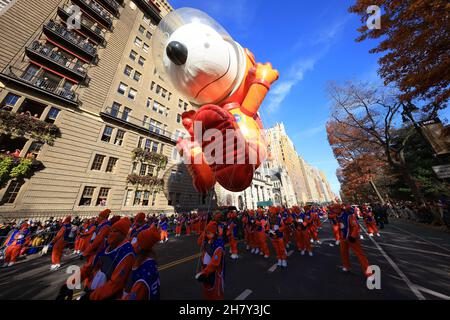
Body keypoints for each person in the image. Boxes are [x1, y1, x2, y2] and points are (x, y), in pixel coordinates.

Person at [76, 217, 134, 300]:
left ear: (122, 234)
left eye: (115, 231)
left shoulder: (127, 253)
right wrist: (70, 283)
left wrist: (92, 296)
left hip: (106, 296)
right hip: (92, 290)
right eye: (110, 231)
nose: (111, 234)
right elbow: (89, 266)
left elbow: (115, 284)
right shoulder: (106, 246)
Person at [122, 227, 160, 300]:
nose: (134, 244)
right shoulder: (148, 261)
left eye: (137, 242)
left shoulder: (145, 269)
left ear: (141, 246)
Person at [338, 205, 371, 277]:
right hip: (343, 237)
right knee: (343, 252)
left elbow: (355, 226)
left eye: (335, 210)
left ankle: (368, 272)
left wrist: (353, 236)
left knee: (359, 254)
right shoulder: (339, 216)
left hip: (351, 237)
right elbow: (340, 227)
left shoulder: (349, 216)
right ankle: (346, 266)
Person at [195, 221, 225, 300]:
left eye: (209, 233)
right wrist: (204, 233)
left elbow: (215, 263)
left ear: (214, 233)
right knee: (207, 291)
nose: (207, 234)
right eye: (206, 233)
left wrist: (205, 273)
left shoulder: (218, 244)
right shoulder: (207, 240)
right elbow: (199, 242)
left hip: (214, 272)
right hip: (206, 269)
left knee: (215, 293)